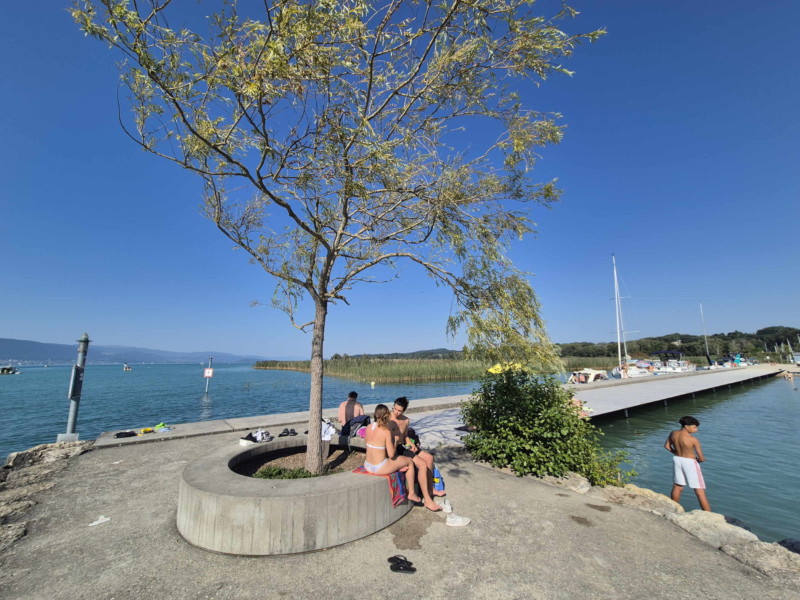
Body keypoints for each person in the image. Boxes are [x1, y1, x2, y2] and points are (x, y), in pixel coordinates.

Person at [363, 404, 439, 511]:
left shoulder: (369, 427)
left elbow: (367, 443)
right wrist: (395, 441)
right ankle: (412, 493)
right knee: (409, 462)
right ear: (386, 416)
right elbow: (391, 455)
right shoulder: (386, 431)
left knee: (399, 462)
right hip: (379, 468)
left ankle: (420, 489)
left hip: (367, 465)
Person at [390, 397, 446, 502]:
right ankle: (427, 499)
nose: (396, 412)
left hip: (404, 445)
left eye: (399, 411)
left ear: (404, 410)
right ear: (393, 406)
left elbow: (405, 436)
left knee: (429, 458)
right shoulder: (389, 418)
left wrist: (412, 444)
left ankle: (431, 489)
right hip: (397, 448)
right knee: (422, 464)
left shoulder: (405, 420)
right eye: (395, 409)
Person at [664, 416, 711, 511]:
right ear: (686, 426)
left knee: (678, 486)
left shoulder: (673, 434)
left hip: (677, 459)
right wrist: (700, 459)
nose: (696, 430)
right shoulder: (693, 440)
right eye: (694, 427)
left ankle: (673, 508)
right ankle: (708, 515)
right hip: (690, 462)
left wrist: (676, 452)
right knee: (699, 489)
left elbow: (667, 446)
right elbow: (701, 457)